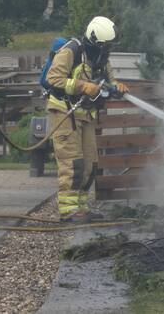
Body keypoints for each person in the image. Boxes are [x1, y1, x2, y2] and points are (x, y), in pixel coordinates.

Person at [44, 16, 128, 222]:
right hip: (66, 113)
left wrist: (117, 86)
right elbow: (53, 78)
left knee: (90, 164)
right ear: (94, 40)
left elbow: (109, 79)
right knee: (72, 164)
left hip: (86, 114)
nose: (107, 50)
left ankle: (81, 208)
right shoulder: (71, 51)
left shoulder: (101, 57)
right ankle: (68, 212)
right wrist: (83, 86)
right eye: (105, 45)